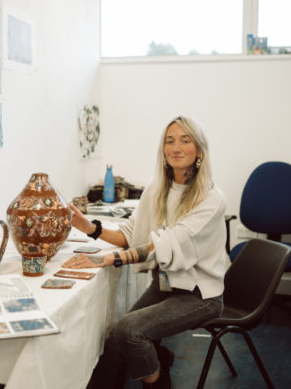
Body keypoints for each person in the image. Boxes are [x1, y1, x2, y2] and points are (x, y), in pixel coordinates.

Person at [62, 115, 230, 389]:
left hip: (199, 295)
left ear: (199, 150)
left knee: (129, 330)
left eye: (185, 141)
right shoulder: (156, 188)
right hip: (164, 284)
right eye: (169, 141)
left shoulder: (211, 198)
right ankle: (158, 360)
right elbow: (130, 234)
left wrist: (107, 259)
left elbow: (163, 244)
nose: (176, 147)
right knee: (116, 339)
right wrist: (89, 227)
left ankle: (158, 381)